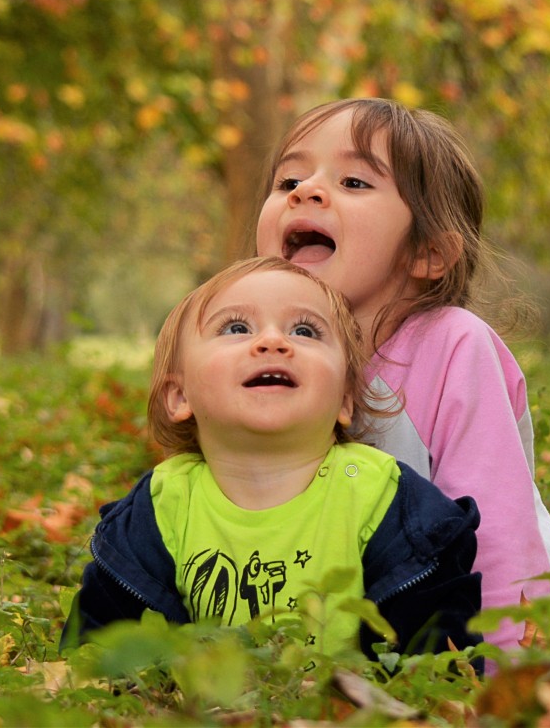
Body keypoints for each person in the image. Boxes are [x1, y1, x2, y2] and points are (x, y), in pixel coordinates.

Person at [255, 98, 550, 652]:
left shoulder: (452, 346)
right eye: (289, 176)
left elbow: (497, 534)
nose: (305, 190)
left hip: (519, 606)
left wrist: (507, 678)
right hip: (376, 611)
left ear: (429, 252)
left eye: (355, 182)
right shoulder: (255, 356)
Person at [64, 256, 483, 660]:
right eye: (236, 327)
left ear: (345, 400)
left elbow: (437, 655)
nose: (272, 341)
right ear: (181, 396)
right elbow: (100, 648)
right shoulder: (163, 505)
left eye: (305, 330)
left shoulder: (382, 500)